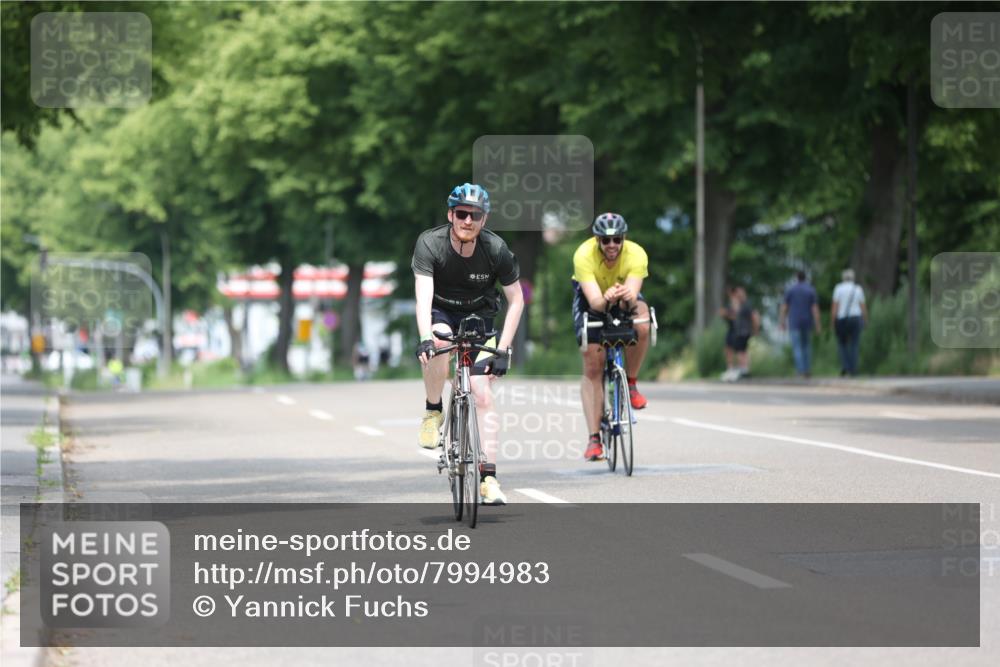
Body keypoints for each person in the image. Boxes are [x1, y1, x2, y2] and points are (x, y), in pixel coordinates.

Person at [412, 183, 524, 505]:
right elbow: (423, 297)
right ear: (451, 215)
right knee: (436, 340)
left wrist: (503, 350)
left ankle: (488, 477)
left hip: (481, 318)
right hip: (441, 311)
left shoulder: (496, 249)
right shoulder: (430, 244)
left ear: (483, 220)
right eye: (461, 214)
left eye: (475, 215)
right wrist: (424, 339)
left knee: (483, 394)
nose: (467, 221)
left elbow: (516, 301)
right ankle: (434, 410)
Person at [572, 212, 651, 462]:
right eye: (605, 241)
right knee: (593, 366)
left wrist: (626, 295)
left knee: (642, 322)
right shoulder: (583, 255)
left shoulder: (637, 254)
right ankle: (594, 438)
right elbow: (595, 302)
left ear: (623, 238)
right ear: (597, 241)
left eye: (617, 239)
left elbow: (632, 299)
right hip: (592, 299)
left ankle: (632, 383)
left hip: (623, 297)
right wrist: (606, 298)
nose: (612, 246)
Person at [780, 271, 821, 378]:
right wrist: (817, 323)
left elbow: (784, 307)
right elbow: (814, 308)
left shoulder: (791, 290)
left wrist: (782, 322)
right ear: (805, 278)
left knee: (797, 347)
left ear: (796, 278)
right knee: (807, 346)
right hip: (807, 322)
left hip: (795, 322)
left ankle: (800, 371)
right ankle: (807, 370)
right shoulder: (811, 290)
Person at [718, 285, 760, 382]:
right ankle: (737, 369)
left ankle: (744, 370)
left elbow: (754, 316)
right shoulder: (733, 304)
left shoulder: (746, 305)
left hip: (742, 331)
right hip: (735, 330)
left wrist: (756, 329)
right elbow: (724, 313)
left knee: (741, 350)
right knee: (735, 349)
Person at [831, 268, 867, 376]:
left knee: (842, 344)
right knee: (854, 344)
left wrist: (833, 321)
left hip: (842, 319)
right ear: (853, 277)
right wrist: (865, 320)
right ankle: (854, 368)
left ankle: (845, 366)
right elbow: (863, 306)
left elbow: (835, 307)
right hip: (856, 318)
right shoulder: (858, 289)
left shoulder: (838, 288)